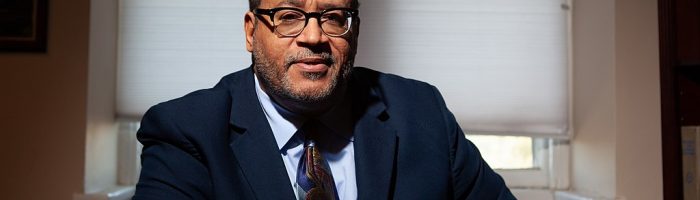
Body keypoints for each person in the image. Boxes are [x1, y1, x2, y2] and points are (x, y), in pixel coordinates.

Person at [133, 0, 515, 199]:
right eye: (288, 15)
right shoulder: (187, 131)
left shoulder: (421, 111)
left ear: (356, 31)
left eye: (334, 17)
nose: (313, 37)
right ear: (251, 32)